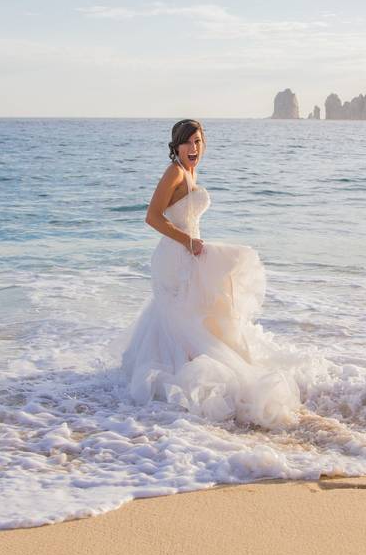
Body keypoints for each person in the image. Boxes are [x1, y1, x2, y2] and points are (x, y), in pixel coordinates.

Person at [115, 119, 308, 428]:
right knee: (183, 315)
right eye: (188, 142)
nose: (194, 148)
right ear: (176, 146)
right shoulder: (175, 172)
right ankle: (182, 375)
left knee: (198, 311)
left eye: (199, 142)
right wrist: (187, 241)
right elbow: (152, 217)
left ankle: (192, 365)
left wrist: (193, 243)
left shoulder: (190, 171)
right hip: (176, 254)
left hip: (189, 250)